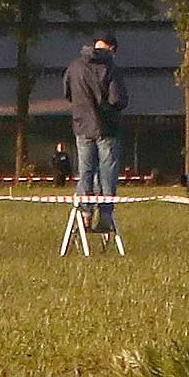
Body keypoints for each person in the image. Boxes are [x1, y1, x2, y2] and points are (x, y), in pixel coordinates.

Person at [63, 31, 126, 232]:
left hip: (82, 127)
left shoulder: (74, 66)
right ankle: (105, 217)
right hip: (107, 129)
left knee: (85, 172)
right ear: (112, 48)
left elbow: (67, 93)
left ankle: (85, 215)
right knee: (107, 173)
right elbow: (118, 100)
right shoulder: (111, 68)